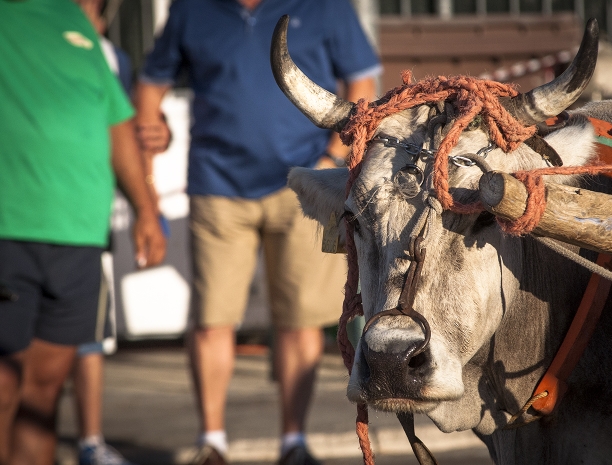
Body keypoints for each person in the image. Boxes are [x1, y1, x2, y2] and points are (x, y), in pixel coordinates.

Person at [135, 1, 380, 464]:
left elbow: (361, 86)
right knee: (211, 320)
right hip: (217, 186)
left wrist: (330, 160)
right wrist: (149, 170)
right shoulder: (191, 10)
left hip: (306, 183)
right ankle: (212, 442)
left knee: (300, 320)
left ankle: (293, 442)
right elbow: (149, 89)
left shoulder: (326, 6)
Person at [0, 1, 167, 465]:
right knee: (4, 383)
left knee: (44, 394)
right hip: (9, 229)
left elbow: (117, 122)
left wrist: (146, 211)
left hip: (79, 236)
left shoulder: (73, 21)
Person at [69, 1, 147, 464]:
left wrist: (144, 209)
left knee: (88, 335)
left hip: (88, 215)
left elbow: (126, 132)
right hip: (25, 213)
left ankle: (89, 440)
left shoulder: (112, 57)